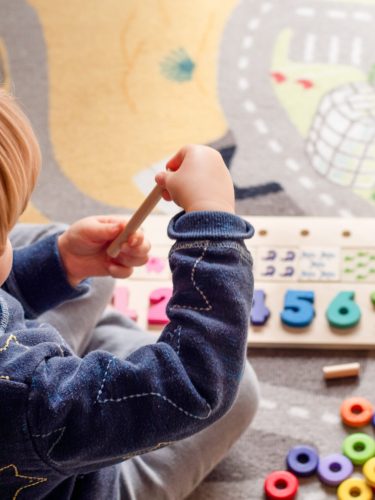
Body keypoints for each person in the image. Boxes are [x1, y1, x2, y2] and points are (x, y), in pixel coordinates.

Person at [0, 88, 259, 499]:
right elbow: (198, 382)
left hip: (32, 416)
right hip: (77, 477)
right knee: (240, 386)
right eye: (2, 237)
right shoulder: (31, 399)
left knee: (67, 252)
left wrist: (60, 263)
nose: (8, 239)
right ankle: (99, 388)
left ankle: (94, 375)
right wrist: (212, 223)